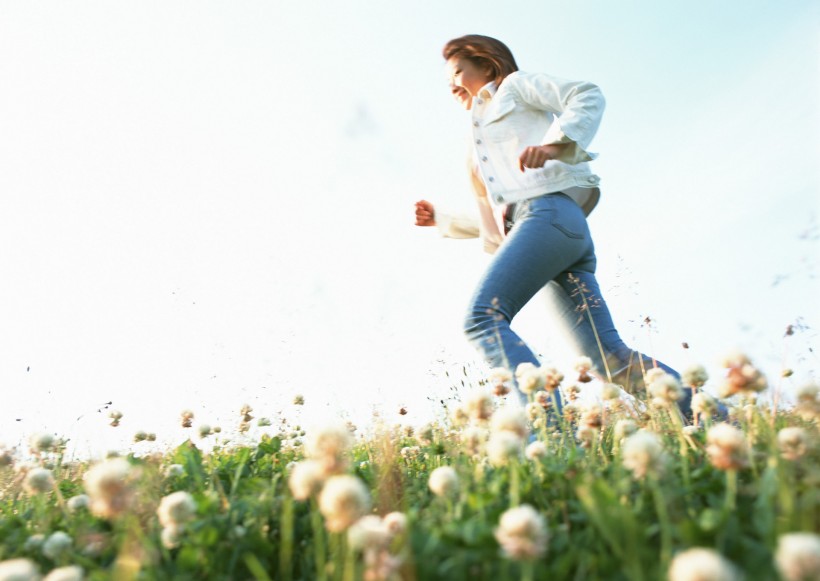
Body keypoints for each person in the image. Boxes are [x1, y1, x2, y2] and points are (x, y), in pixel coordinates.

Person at [415, 34, 693, 418]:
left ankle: (550, 437)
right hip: (546, 232)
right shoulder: (474, 142)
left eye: (459, 71)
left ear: (487, 63)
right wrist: (442, 220)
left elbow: (586, 94)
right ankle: (715, 418)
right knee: (606, 359)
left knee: (482, 319)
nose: (452, 83)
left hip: (548, 214)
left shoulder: (514, 88)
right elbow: (496, 217)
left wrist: (555, 145)